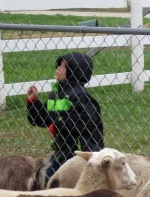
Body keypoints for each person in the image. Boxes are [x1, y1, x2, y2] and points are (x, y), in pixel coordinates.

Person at [26, 52, 105, 181]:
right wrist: (33, 103)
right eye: (59, 65)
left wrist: (57, 127)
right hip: (63, 152)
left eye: (64, 66)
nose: (58, 68)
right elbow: (43, 119)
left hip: (81, 152)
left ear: (75, 71)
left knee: (48, 180)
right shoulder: (56, 95)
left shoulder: (80, 96)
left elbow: (83, 120)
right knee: (41, 179)